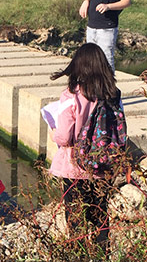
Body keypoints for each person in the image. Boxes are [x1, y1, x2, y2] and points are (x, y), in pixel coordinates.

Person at [47, 44, 126, 249]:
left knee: (74, 215)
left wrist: (53, 132)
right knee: (100, 215)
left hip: (74, 166)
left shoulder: (71, 95)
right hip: (101, 164)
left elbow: (64, 137)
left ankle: (79, 258)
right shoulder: (113, 95)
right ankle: (103, 258)